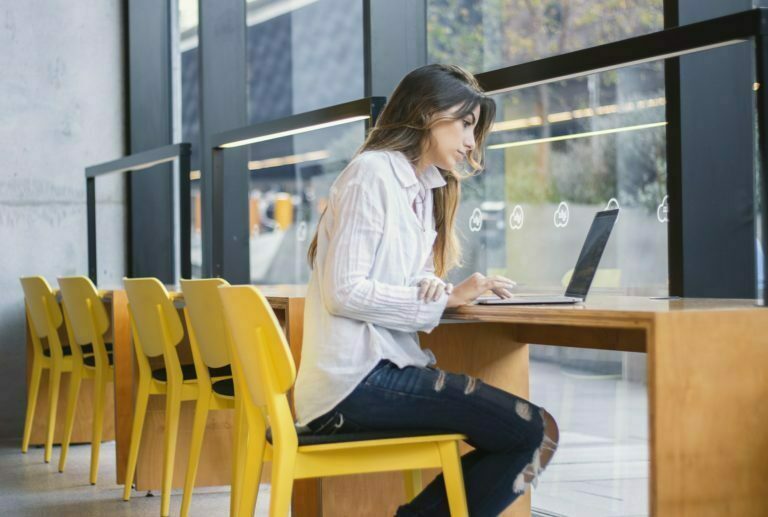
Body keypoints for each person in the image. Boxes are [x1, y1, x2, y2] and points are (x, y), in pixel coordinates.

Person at [294, 63, 559, 516]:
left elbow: (390, 276)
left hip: (371, 377)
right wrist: (447, 299)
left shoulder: (416, 187)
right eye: (465, 124)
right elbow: (344, 291)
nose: (471, 143)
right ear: (427, 112)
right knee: (535, 433)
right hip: (355, 384)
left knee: (530, 433)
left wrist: (433, 286)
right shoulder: (373, 174)